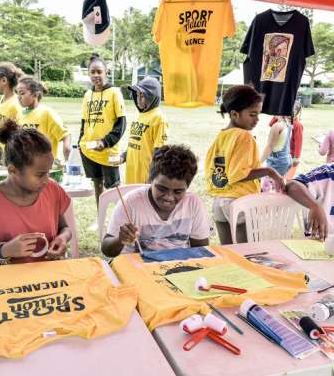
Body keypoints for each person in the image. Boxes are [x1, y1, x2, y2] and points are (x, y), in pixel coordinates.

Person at [0, 119, 72, 268]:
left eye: (48, 172)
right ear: (12, 170)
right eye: (40, 175)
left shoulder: (52, 190)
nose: (47, 180)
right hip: (5, 284)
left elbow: (65, 228)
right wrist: (5, 251)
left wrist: (63, 238)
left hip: (49, 277)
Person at [204, 85, 285, 245]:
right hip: (239, 201)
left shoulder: (221, 136)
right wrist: (270, 171)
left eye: (258, 114)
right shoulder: (245, 137)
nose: (257, 119)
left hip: (219, 202)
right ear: (234, 114)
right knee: (246, 252)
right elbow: (240, 174)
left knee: (228, 252)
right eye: (252, 114)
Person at [101, 145, 210, 257]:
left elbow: (201, 250)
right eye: (162, 189)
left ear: (187, 187)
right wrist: (120, 240)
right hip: (136, 269)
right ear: (150, 180)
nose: (169, 197)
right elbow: (106, 249)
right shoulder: (130, 203)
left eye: (178, 192)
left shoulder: (193, 203)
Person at [79, 54, 127, 205]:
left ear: (105, 72)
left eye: (99, 71)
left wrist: (105, 142)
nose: (95, 75)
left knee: (115, 187)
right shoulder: (88, 95)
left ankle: (121, 218)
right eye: (92, 72)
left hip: (108, 150)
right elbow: (84, 122)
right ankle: (101, 217)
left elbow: (121, 124)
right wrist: (81, 142)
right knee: (97, 183)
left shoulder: (114, 92)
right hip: (90, 149)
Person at [122, 76, 168, 184]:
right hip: (132, 173)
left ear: (152, 97)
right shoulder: (140, 115)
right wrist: (123, 156)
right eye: (137, 95)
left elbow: (159, 153)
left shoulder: (159, 118)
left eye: (142, 96)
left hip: (145, 177)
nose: (138, 99)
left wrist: (152, 177)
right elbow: (134, 142)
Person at [16, 76, 71, 163]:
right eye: (17, 93)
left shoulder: (47, 113)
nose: (18, 97)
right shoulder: (19, 114)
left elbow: (65, 135)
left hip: (46, 165)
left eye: (22, 93)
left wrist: (67, 151)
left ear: (35, 94)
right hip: (27, 165)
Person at [0, 62, 23, 166]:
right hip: (3, 149)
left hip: (12, 153)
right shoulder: (3, 99)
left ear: (4, 80)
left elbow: (20, 131)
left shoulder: (15, 104)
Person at [269, 101, 303, 180]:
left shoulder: (297, 125)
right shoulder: (282, 120)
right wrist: (278, 115)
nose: (289, 113)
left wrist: (296, 157)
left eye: (293, 111)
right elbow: (270, 124)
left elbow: (299, 141)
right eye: (288, 110)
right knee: (274, 177)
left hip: (289, 156)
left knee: (285, 179)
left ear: (297, 113)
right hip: (277, 154)